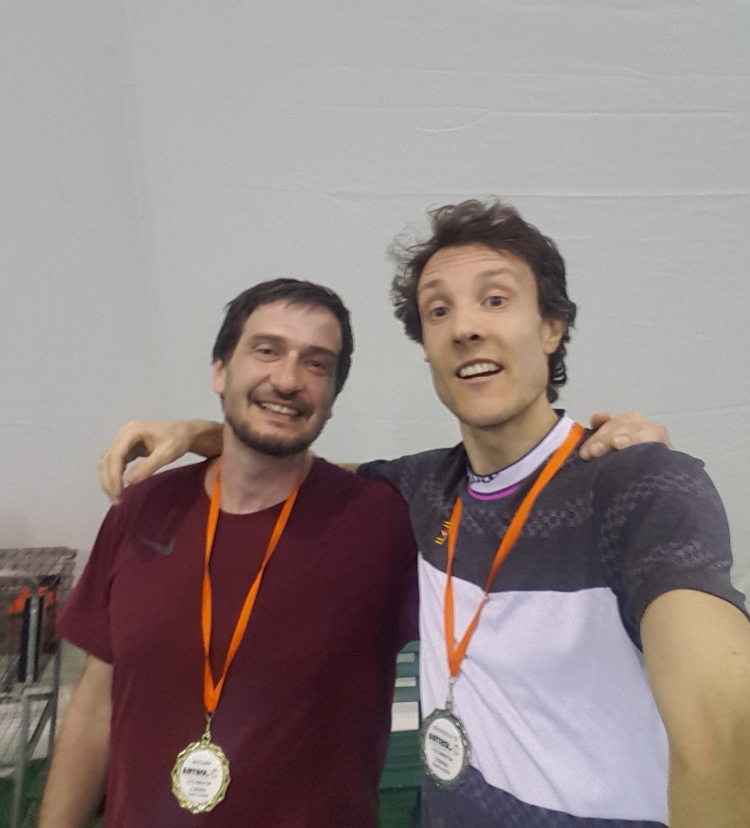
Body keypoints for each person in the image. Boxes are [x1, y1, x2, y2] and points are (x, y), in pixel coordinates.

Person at [98, 200, 750, 828]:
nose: (465, 326)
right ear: (428, 347)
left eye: (495, 299)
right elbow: (299, 469)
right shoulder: (422, 488)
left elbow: (723, 728)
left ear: (552, 326)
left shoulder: (641, 485)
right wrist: (202, 432)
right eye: (439, 310)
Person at [40, 280, 419, 828]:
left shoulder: (382, 523)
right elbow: (96, 704)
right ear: (220, 371)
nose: (287, 379)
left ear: (333, 396)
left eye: (316, 364)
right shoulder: (142, 508)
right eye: (266, 350)